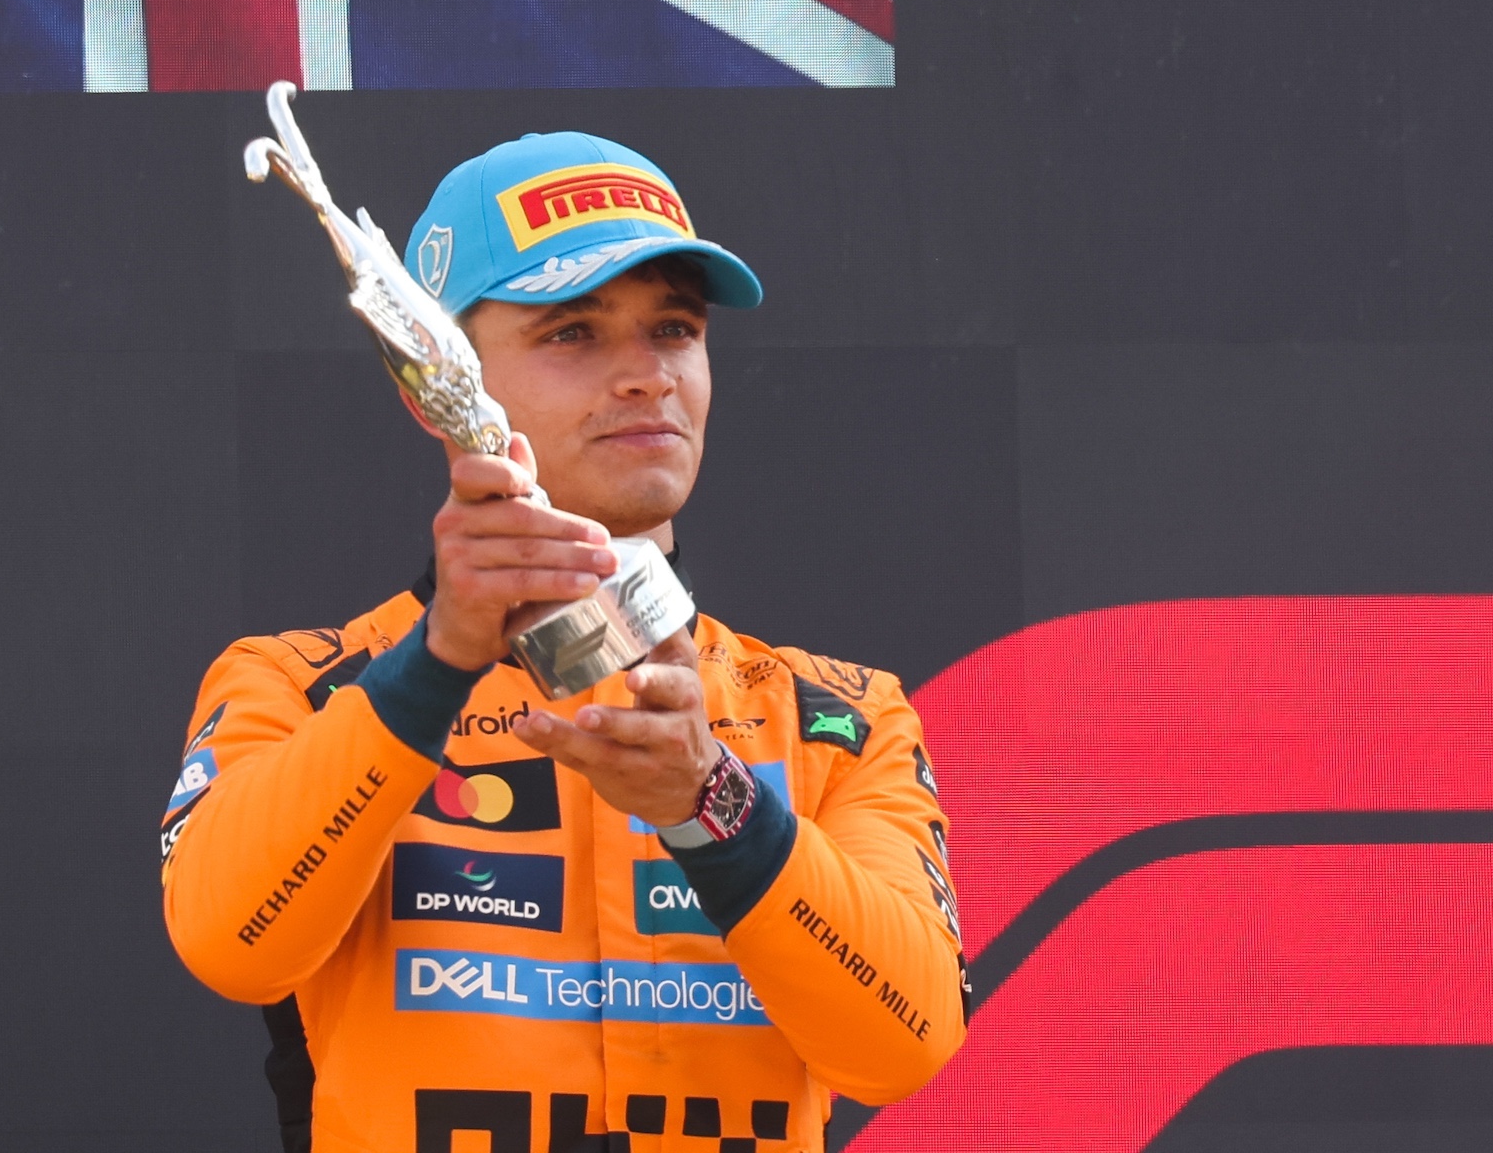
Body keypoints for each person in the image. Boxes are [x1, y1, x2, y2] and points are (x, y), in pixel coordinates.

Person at [160, 132, 969, 1153]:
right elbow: (230, 942)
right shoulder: (298, 686)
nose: (646, 376)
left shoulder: (835, 717)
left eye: (674, 327)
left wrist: (713, 802)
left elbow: (905, 1045)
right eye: (574, 333)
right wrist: (439, 660)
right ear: (432, 381)